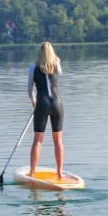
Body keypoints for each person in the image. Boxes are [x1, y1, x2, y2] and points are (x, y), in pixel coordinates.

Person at [28, 41, 65, 179]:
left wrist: (34, 103)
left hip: (42, 103)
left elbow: (30, 90)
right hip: (57, 103)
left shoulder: (32, 68)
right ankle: (59, 172)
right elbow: (58, 72)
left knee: (38, 140)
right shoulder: (57, 65)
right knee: (58, 141)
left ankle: (32, 172)